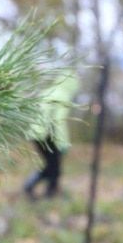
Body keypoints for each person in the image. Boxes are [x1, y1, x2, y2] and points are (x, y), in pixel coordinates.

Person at [23, 71, 80, 200]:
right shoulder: (63, 95)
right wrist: (63, 143)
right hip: (47, 134)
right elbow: (58, 121)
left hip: (36, 134)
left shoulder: (49, 91)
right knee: (54, 166)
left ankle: (45, 189)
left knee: (52, 165)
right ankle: (44, 191)